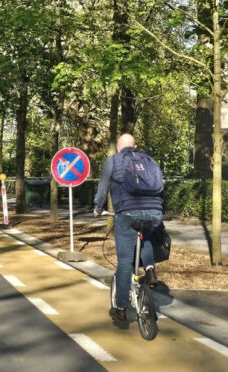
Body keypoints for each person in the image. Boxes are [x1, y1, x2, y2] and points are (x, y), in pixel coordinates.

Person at [93, 133, 163, 324]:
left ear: (118, 146)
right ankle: (150, 269)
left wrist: (98, 208)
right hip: (154, 212)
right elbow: (159, 185)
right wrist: (156, 209)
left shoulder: (114, 160)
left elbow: (103, 185)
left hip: (127, 213)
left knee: (124, 262)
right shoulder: (149, 160)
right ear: (135, 146)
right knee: (145, 235)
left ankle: (122, 309)